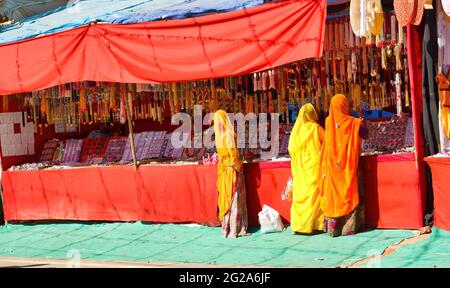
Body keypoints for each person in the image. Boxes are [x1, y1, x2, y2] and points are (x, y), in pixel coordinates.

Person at [320, 94, 368, 237]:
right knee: (348, 192)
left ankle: (334, 227)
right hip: (348, 166)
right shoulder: (353, 123)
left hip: (331, 167)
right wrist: (361, 120)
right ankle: (348, 227)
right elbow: (365, 134)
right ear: (345, 105)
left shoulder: (328, 121)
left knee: (334, 195)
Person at [288, 103, 325, 234]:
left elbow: (291, 151)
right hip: (314, 168)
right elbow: (327, 143)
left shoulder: (296, 133)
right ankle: (316, 225)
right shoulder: (316, 129)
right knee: (314, 196)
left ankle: (299, 226)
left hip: (300, 170)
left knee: (301, 196)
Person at [213, 110, 250, 238]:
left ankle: (228, 229)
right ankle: (235, 229)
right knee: (233, 199)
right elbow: (234, 155)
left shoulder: (220, 135)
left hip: (226, 171)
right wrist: (240, 162)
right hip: (232, 171)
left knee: (228, 199)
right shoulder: (228, 134)